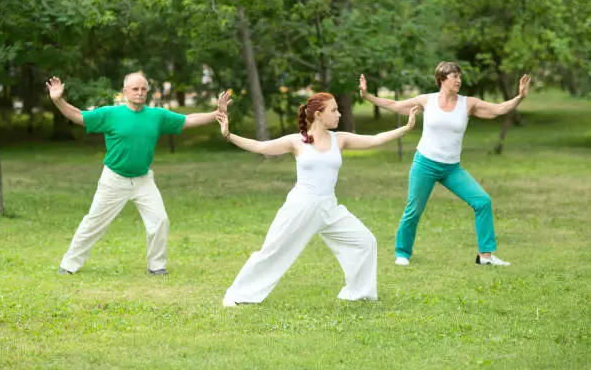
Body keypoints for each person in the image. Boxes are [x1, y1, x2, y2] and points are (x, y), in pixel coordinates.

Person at [216, 92, 420, 306]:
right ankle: (237, 295)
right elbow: (260, 146)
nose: (339, 114)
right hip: (301, 207)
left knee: (365, 241)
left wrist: (406, 128)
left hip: (329, 207)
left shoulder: (339, 139)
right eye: (334, 110)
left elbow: (375, 139)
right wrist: (228, 135)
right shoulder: (297, 141)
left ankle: (358, 293)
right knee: (272, 251)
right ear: (319, 115)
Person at [46, 73, 231, 275]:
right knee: (94, 222)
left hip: (143, 180)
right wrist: (58, 100)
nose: (140, 92)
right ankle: (69, 265)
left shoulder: (157, 116)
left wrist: (216, 114)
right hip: (114, 179)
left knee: (160, 220)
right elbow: (78, 116)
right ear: (125, 91)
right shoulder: (110, 114)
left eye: (143, 89)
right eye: (135, 89)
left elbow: (188, 120)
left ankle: (157, 266)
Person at [359, 63, 531, 266]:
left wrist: (519, 97)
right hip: (425, 164)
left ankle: (485, 256)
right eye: (454, 76)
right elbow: (396, 105)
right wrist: (367, 96)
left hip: (451, 168)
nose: (459, 80)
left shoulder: (468, 104)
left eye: (460, 76)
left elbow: (497, 109)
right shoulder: (427, 100)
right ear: (442, 78)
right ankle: (402, 253)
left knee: (482, 201)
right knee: (413, 209)